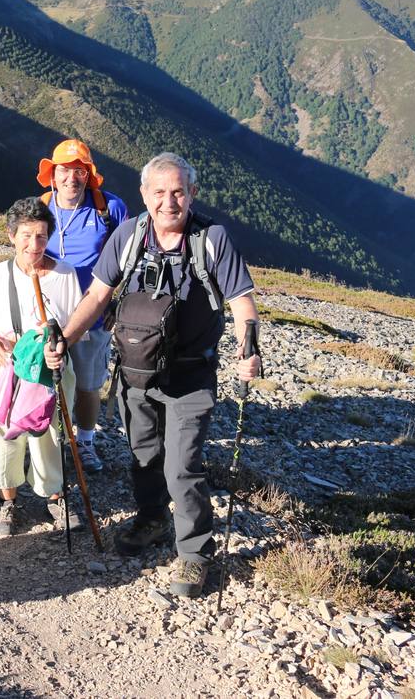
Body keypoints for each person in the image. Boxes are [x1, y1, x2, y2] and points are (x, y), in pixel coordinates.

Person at [46, 152, 261, 598]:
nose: (169, 201)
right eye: (159, 192)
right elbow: (97, 296)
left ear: (192, 194)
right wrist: (64, 338)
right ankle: (151, 519)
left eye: (178, 191)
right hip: (135, 373)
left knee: (183, 466)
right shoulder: (128, 236)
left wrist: (249, 347)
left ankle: (195, 553)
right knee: (143, 454)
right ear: (144, 195)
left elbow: (242, 302)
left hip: (190, 375)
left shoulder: (212, 240)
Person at [0, 198, 84, 536]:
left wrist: (62, 347)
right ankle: (8, 501)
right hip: (5, 367)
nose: (33, 245)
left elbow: (75, 324)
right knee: (1, 435)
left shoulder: (64, 274)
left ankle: (55, 495)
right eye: (25, 235)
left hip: (50, 367)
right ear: (11, 236)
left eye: (41, 236)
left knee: (50, 433)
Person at [38, 139, 129, 473]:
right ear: (52, 174)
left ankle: (86, 443)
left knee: (89, 385)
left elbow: (128, 259)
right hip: (47, 313)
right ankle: (49, 443)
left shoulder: (110, 209)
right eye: (64, 170)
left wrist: (115, 301)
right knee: (48, 381)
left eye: (79, 171)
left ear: (89, 175)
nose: (71, 179)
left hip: (93, 316)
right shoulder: (41, 207)